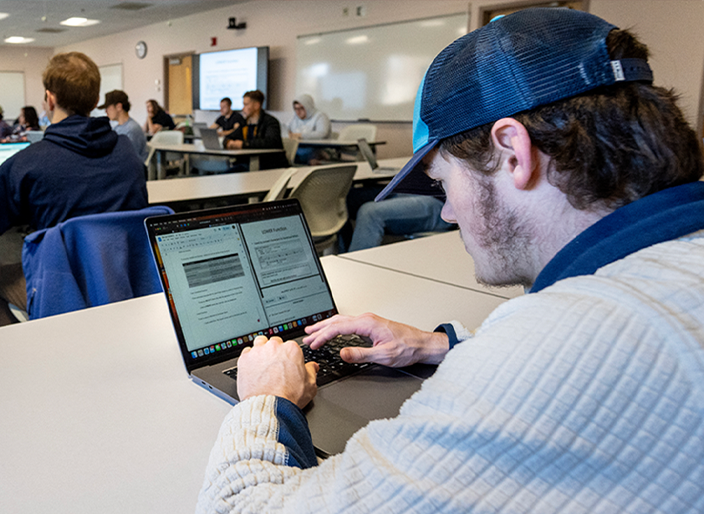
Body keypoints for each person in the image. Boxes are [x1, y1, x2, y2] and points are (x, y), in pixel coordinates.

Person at [196, 9, 704, 512]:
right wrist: (446, 345)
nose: (448, 212)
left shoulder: (559, 347)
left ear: (512, 151)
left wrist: (267, 400)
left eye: (442, 181)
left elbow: (239, 507)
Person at [0, 52, 148, 326]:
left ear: (50, 98)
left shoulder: (27, 164)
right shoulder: (128, 155)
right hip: (126, 284)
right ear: (94, 102)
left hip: (62, 290)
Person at [347, 194, 455, 252]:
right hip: (419, 190)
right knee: (346, 199)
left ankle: (354, 273)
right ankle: (343, 256)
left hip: (441, 202)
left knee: (370, 213)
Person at [223, 90, 288, 170]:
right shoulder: (244, 123)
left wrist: (244, 144)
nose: (243, 108)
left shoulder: (270, 122)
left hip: (268, 166)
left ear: (257, 105)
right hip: (246, 164)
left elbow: (271, 142)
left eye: (246, 104)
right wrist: (228, 142)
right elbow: (230, 137)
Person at [99, 90, 149, 162]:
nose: (105, 111)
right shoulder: (117, 128)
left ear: (119, 107)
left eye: (108, 107)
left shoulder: (132, 129)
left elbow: (129, 158)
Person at [285, 93, 331, 164]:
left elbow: (322, 133)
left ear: (308, 107)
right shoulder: (295, 118)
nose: (298, 112)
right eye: (296, 108)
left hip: (317, 149)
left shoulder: (320, 116)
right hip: (298, 147)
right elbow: (286, 129)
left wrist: (300, 135)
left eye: (301, 108)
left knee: (301, 155)